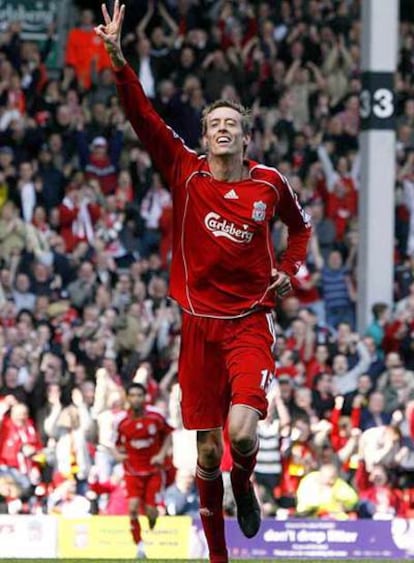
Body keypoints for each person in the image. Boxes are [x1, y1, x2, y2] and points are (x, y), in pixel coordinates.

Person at [96, 3, 311, 562]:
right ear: (205, 135)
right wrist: (120, 61)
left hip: (249, 324)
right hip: (197, 327)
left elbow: (301, 230)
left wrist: (288, 271)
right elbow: (142, 115)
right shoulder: (185, 171)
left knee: (241, 435)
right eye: (214, 124)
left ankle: (246, 483)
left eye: (231, 125)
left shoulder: (269, 185)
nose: (221, 130)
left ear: (244, 139)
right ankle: (218, 555)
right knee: (208, 452)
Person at [113, 382, 173, 558]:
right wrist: (118, 455)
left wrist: (162, 454)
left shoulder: (155, 418)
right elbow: (118, 446)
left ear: (145, 397)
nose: (136, 399)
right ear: (127, 398)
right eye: (133, 395)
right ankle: (139, 546)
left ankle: (152, 520)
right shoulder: (123, 423)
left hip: (153, 471)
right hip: (132, 471)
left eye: (140, 395)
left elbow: (169, 434)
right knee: (131, 508)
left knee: (151, 512)